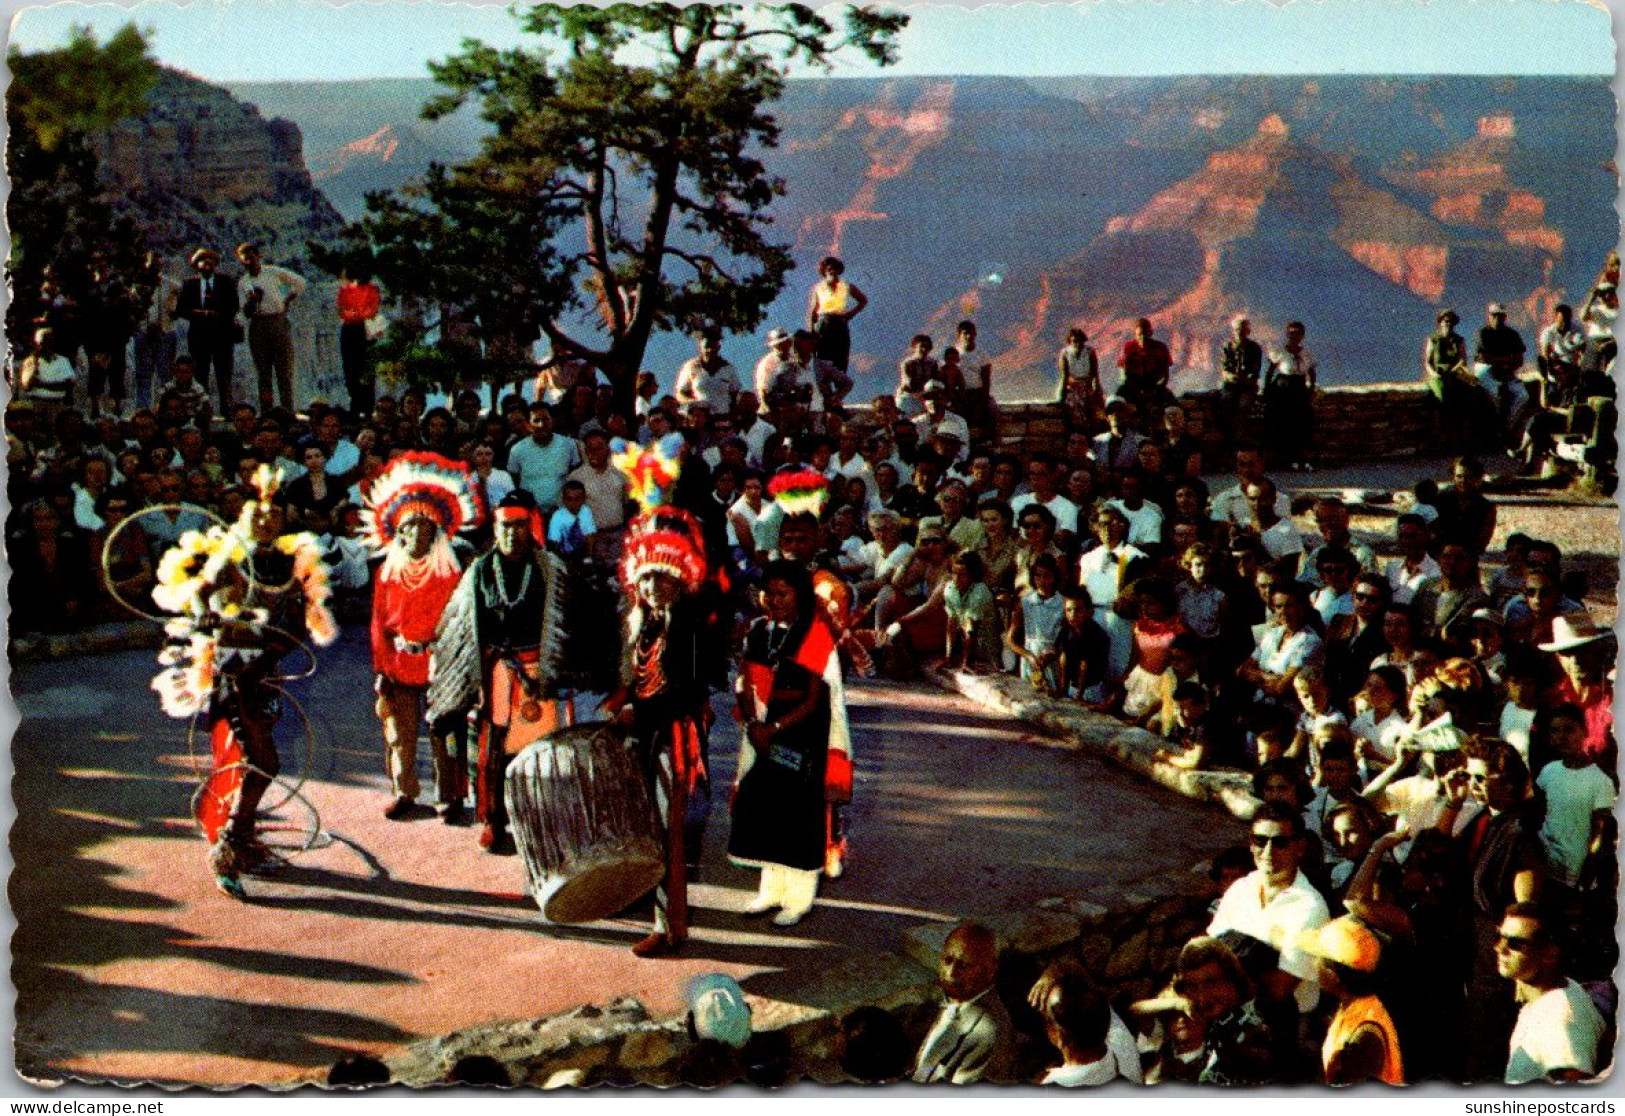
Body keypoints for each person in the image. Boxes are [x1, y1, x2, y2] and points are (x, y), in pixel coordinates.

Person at [426, 490, 569, 854]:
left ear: (531, 526)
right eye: (505, 526)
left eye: (519, 526)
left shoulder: (549, 568)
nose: (511, 534)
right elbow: (455, 623)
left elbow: (567, 622)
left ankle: (538, 820)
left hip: (536, 672)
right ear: (496, 526)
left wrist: (555, 672)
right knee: (490, 751)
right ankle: (493, 819)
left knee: (538, 751)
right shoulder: (479, 570)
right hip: (492, 674)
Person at [602, 501, 713, 957]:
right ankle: (644, 896)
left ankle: (671, 928)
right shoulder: (642, 624)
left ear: (680, 581)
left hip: (674, 737)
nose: (653, 586)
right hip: (645, 734)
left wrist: (639, 714)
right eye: (645, 577)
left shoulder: (689, 628)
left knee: (668, 830)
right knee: (641, 822)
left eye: (662, 578)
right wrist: (621, 700)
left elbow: (685, 693)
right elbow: (636, 679)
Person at [363, 452, 480, 822]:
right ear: (399, 531)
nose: (416, 533)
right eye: (410, 526)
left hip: (440, 664)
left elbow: (461, 623)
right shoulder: (387, 572)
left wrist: (461, 668)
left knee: (444, 732)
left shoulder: (449, 572)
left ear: (436, 533)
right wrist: (381, 668)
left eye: (424, 526)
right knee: (400, 734)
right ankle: (404, 790)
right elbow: (378, 626)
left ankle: (450, 795)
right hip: (400, 663)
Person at [730, 559, 845, 928]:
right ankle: (771, 889)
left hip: (801, 732)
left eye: (783, 593)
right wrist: (752, 723)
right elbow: (745, 681)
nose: (774, 599)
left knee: (798, 813)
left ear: (799, 596)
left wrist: (773, 728)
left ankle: (799, 896)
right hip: (763, 729)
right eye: (769, 592)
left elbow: (814, 700)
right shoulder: (759, 631)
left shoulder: (815, 634)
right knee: (765, 806)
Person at [1207, 801, 1331, 1030]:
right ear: (1250, 844)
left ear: (1299, 847)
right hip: (1227, 1008)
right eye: (1260, 841)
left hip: (1280, 1025)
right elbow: (1207, 954)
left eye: (1280, 842)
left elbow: (1279, 989)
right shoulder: (1240, 888)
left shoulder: (1310, 907)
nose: (1268, 851)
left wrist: (1230, 958)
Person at [1498, 902, 1607, 1084]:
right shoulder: (1552, 994)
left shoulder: (1560, 1019)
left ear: (1549, 955)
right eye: (1498, 937)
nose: (1500, 949)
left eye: (1515, 943)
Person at [1297, 917, 1405, 1085]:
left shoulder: (1364, 1037)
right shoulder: (1357, 1006)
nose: (1314, 963)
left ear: (1333, 976)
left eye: (1318, 958)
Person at [911, 922, 1014, 1084]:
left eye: (964, 965)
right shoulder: (942, 1003)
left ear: (990, 971)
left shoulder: (987, 1031)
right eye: (947, 960)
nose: (951, 973)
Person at [235, 242, 307, 412]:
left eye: (251, 258)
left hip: (277, 321)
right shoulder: (243, 283)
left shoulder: (272, 272)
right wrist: (252, 302)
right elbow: (243, 310)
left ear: (257, 257)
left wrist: (287, 299)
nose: (249, 262)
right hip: (258, 323)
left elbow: (300, 282)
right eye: (245, 260)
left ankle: (287, 409)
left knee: (284, 370)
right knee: (263, 372)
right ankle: (267, 410)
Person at [173, 248, 239, 412]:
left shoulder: (226, 282)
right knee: (200, 372)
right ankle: (202, 408)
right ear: (197, 265)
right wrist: (198, 313)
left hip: (222, 334)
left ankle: (226, 407)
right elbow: (181, 308)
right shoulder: (189, 284)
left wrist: (216, 315)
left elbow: (234, 305)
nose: (208, 264)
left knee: (223, 372)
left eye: (211, 261)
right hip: (198, 335)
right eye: (203, 261)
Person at [1264, 321, 1317, 471]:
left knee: (1302, 423)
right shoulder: (1280, 351)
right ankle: (1285, 460)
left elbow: (1311, 372)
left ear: (1302, 335)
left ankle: (1302, 459)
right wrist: (1266, 391)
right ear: (1287, 335)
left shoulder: (1306, 353)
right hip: (1283, 388)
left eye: (1298, 333)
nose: (1295, 336)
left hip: (1299, 388)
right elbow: (1270, 371)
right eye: (1291, 333)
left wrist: (1311, 389)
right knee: (1283, 423)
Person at [805, 255, 867, 372]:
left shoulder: (846, 286)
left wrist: (850, 314)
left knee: (841, 358)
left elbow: (863, 300)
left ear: (839, 270)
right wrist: (811, 333)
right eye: (829, 269)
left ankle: (840, 385)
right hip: (823, 324)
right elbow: (813, 312)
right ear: (824, 271)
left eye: (835, 269)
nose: (832, 271)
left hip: (839, 323)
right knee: (822, 357)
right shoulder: (818, 288)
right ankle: (825, 387)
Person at [336, 267, 382, 417]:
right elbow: (342, 311)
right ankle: (355, 404)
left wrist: (356, 314)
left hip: (365, 330)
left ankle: (367, 407)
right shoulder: (345, 290)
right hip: (350, 330)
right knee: (350, 369)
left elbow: (371, 310)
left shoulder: (371, 290)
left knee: (366, 369)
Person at [1219, 314, 1263, 440]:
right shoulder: (1227, 347)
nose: (1240, 332)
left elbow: (1255, 371)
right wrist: (1232, 377)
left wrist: (1244, 380)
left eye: (1243, 330)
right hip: (1230, 385)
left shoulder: (1254, 348)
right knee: (1225, 401)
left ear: (1248, 331)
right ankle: (1226, 435)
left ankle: (1239, 437)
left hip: (1248, 386)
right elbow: (1224, 368)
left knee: (1243, 406)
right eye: (1237, 329)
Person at [674, 329, 740, 410]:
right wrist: (694, 403)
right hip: (700, 417)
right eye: (707, 347)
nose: (710, 350)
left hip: (723, 417)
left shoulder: (729, 369)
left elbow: (735, 395)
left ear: (718, 347)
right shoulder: (690, 367)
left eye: (713, 347)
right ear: (700, 347)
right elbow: (680, 394)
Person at [1117, 318, 1173, 412]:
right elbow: (1124, 374)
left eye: (1145, 334)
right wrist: (1135, 390)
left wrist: (1155, 390)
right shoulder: (1128, 348)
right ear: (1135, 335)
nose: (1142, 338)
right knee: (1116, 403)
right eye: (1139, 335)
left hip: (1154, 385)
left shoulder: (1160, 348)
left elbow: (1165, 374)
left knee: (1173, 406)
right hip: (1132, 385)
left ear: (1150, 333)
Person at [1056, 328, 1103, 433]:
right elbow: (1064, 375)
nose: (1077, 344)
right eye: (1074, 341)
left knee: (1095, 408)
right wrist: (1061, 395)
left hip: (1087, 384)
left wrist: (1096, 389)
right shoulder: (1065, 354)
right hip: (1072, 385)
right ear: (1070, 341)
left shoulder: (1090, 352)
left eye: (1080, 341)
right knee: (1073, 405)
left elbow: (1095, 373)